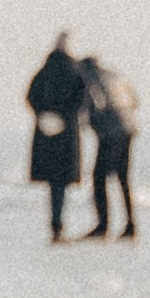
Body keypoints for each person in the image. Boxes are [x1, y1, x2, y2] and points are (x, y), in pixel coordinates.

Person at [26, 32, 87, 242]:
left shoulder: (44, 70)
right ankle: (58, 225)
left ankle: (55, 224)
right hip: (67, 134)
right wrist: (66, 117)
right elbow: (82, 100)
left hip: (46, 134)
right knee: (61, 183)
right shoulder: (75, 71)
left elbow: (30, 95)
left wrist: (43, 115)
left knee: (54, 184)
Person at [77, 55, 139, 240]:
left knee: (99, 178)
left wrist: (84, 117)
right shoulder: (114, 75)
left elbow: (98, 102)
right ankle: (130, 225)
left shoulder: (89, 78)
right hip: (128, 128)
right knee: (122, 178)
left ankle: (102, 226)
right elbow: (135, 100)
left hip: (110, 131)